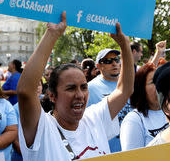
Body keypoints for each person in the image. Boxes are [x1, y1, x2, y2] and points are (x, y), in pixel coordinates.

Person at [16, 12, 134, 160]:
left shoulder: (94, 118)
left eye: (83, 87)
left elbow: (125, 90)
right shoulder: (42, 129)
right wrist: (52, 34)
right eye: (71, 88)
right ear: (52, 95)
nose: (80, 95)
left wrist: (124, 45)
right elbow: (25, 91)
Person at [87, 46, 134, 153]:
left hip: (134, 148)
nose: (114, 64)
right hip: (108, 152)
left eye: (116, 60)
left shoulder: (129, 84)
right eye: (108, 61)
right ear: (99, 66)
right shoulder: (89, 88)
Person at [120, 63, 168, 150]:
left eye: (160, 80)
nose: (158, 85)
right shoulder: (133, 120)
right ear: (141, 88)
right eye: (153, 82)